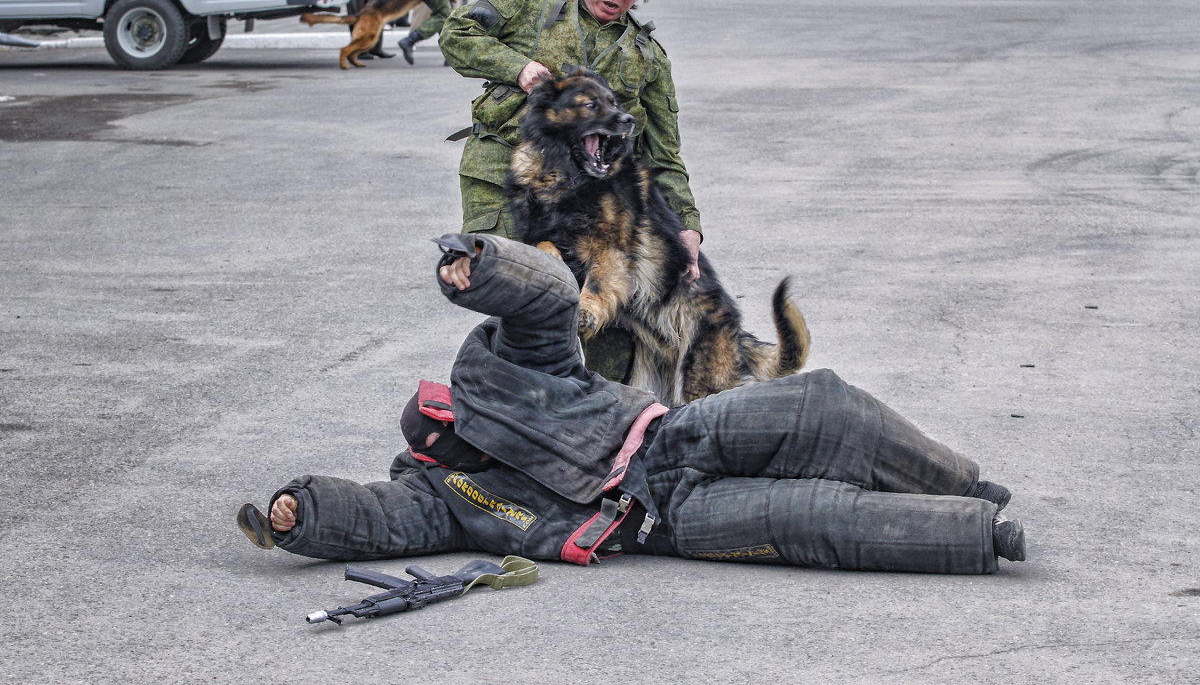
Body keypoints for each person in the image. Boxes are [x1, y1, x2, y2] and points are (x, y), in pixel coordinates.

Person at [238, 232, 1028, 575]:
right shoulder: (440, 498)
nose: (457, 439)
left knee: (820, 403)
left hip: (669, 441)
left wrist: (479, 265)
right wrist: (301, 511)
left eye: (450, 425)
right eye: (445, 441)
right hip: (655, 524)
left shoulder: (503, 370)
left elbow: (548, 301)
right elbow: (378, 522)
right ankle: (981, 536)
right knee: (812, 520)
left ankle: (960, 481)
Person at [438, 0, 704, 381]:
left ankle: (608, 425)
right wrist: (518, 68)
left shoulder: (647, 58)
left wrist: (688, 230)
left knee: (609, 318)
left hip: (590, 200)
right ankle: (509, 418)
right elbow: (455, 35)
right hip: (505, 175)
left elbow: (663, 156)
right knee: (528, 298)